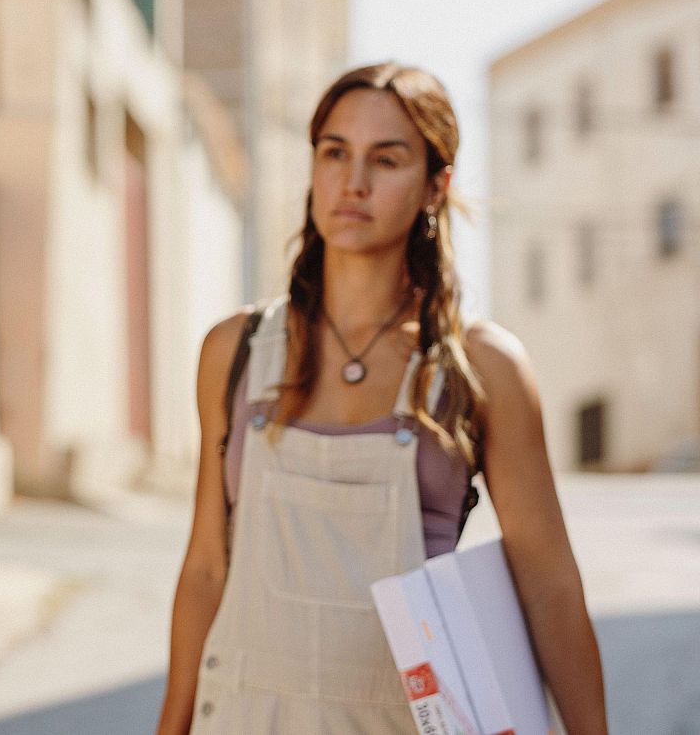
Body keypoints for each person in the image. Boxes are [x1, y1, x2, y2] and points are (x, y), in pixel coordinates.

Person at [154, 62, 607, 734]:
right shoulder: (236, 351)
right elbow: (205, 570)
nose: (353, 181)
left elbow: (549, 584)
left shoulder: (481, 369)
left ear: (434, 186)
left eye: (386, 159)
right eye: (334, 153)